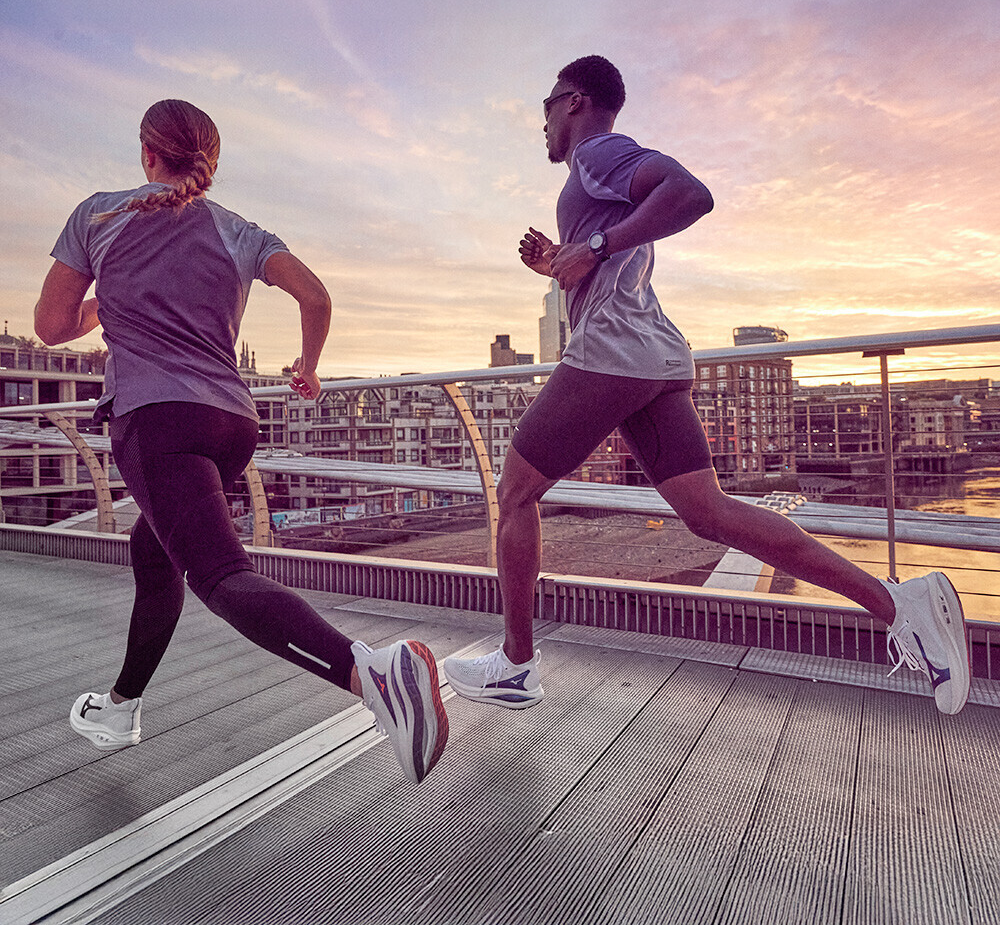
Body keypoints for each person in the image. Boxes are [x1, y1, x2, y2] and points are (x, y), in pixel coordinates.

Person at [444, 56, 971, 716]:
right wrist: (562, 261)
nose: (540, 122)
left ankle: (516, 665)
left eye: (544, 106)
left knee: (515, 492)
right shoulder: (598, 174)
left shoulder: (598, 153)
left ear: (573, 100)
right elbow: (611, 265)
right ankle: (899, 603)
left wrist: (598, 242)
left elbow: (691, 195)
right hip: (652, 354)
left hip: (611, 354)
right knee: (709, 512)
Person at [35, 99, 447, 784]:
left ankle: (371, 676)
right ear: (210, 164)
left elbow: (50, 326)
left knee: (221, 578)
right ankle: (119, 705)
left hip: (157, 419)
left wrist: (105, 301)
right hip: (231, 425)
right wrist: (308, 368)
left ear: (147, 154)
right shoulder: (239, 229)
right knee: (158, 554)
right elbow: (316, 298)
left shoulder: (98, 215)